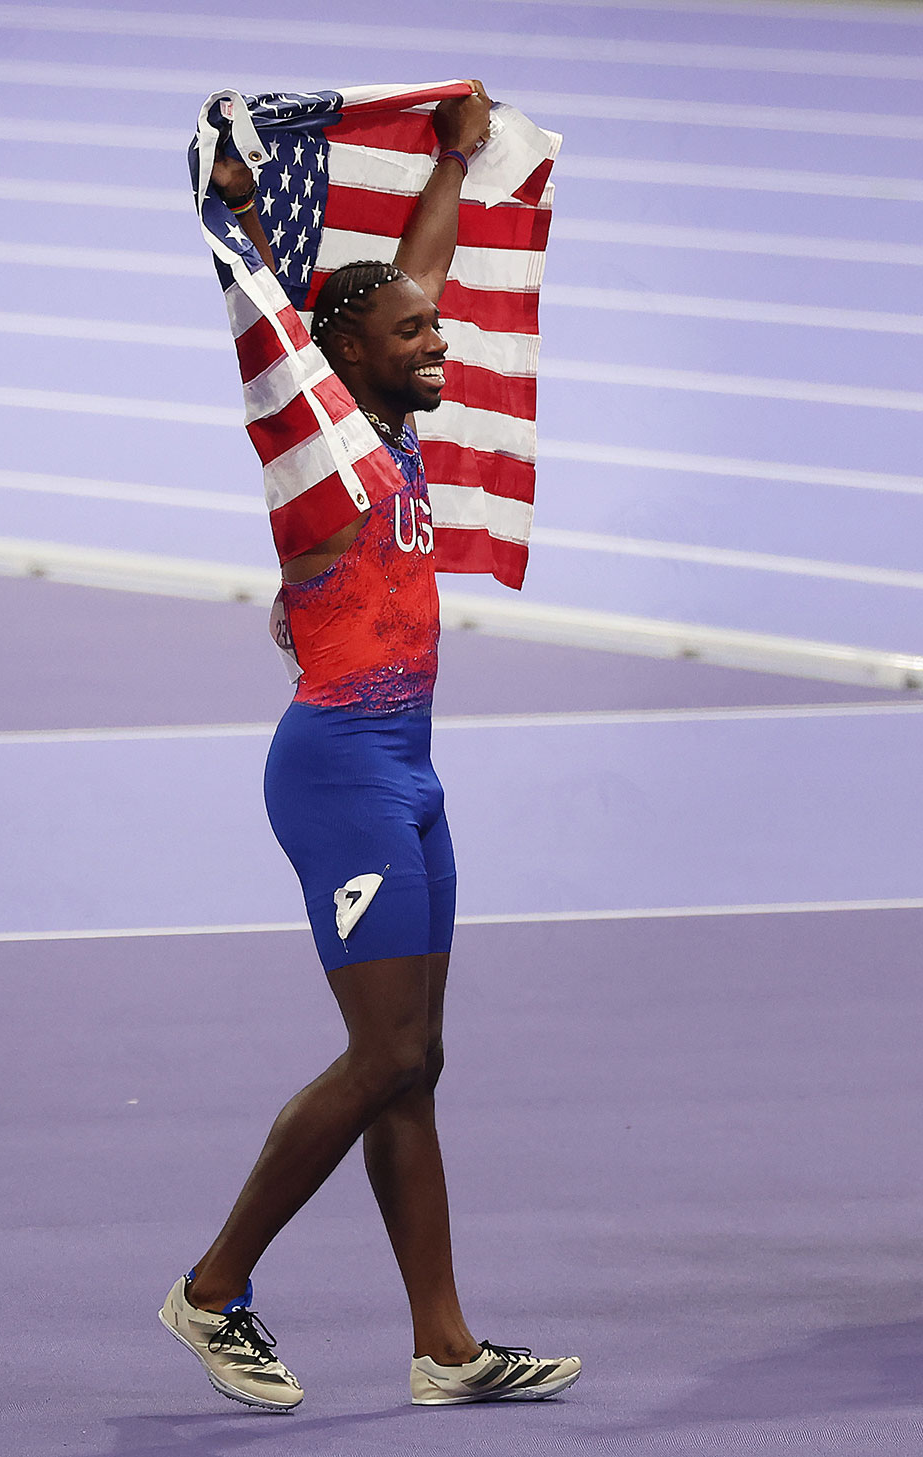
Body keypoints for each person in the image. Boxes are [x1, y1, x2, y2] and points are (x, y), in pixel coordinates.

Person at [160, 82, 580, 1412]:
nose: (438, 337)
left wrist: (452, 162)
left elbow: (416, 267)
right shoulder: (314, 449)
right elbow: (276, 330)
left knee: (417, 1056)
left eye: (437, 327)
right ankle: (213, 1287)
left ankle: (446, 1346)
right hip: (340, 769)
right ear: (347, 357)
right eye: (414, 334)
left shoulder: (391, 429)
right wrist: (233, 218)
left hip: (411, 774)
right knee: (385, 1052)